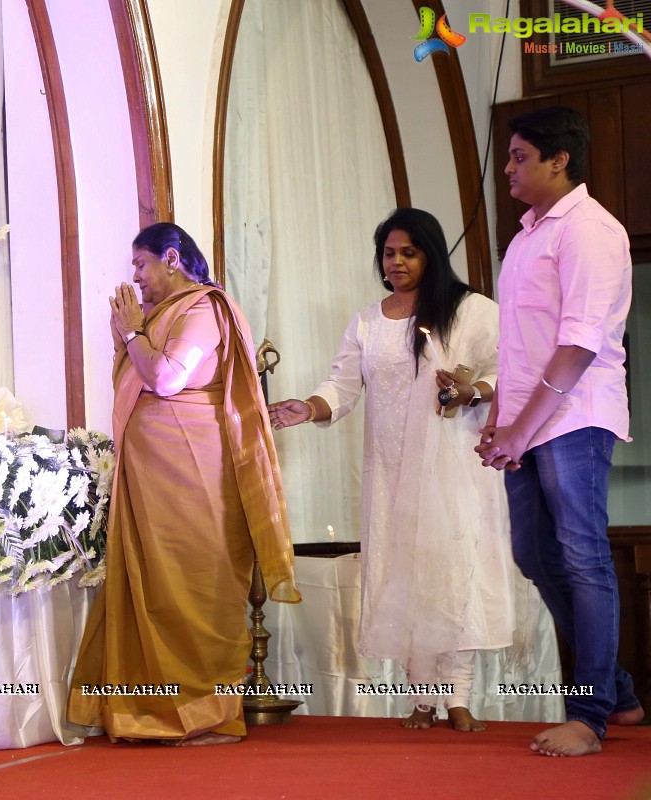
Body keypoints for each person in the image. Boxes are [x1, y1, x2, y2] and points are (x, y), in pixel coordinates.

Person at [268, 208, 517, 732]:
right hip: (389, 470)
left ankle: (459, 698)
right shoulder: (368, 321)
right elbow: (342, 384)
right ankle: (422, 697)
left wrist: (471, 391)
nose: (397, 262)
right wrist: (308, 406)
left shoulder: (471, 311)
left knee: (454, 573)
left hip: (453, 468)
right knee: (406, 574)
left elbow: (504, 371)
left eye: (409, 252)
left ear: (430, 254)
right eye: (389, 253)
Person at [67, 222, 299, 746]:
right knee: (147, 586)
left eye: (141, 265)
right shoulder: (156, 317)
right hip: (152, 483)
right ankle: (140, 710)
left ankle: (203, 713)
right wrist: (127, 338)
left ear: (171, 258)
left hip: (192, 481)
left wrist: (132, 335)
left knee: (192, 586)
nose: (137, 278)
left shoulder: (203, 310)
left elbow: (168, 377)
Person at [476, 105, 642, 756]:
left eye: (520, 157)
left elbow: (577, 348)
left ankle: (592, 713)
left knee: (582, 557)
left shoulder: (591, 231)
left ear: (558, 160)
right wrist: (500, 422)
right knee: (533, 556)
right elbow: (519, 346)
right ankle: (621, 691)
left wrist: (522, 427)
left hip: (576, 415)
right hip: (531, 419)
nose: (510, 169)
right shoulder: (525, 236)